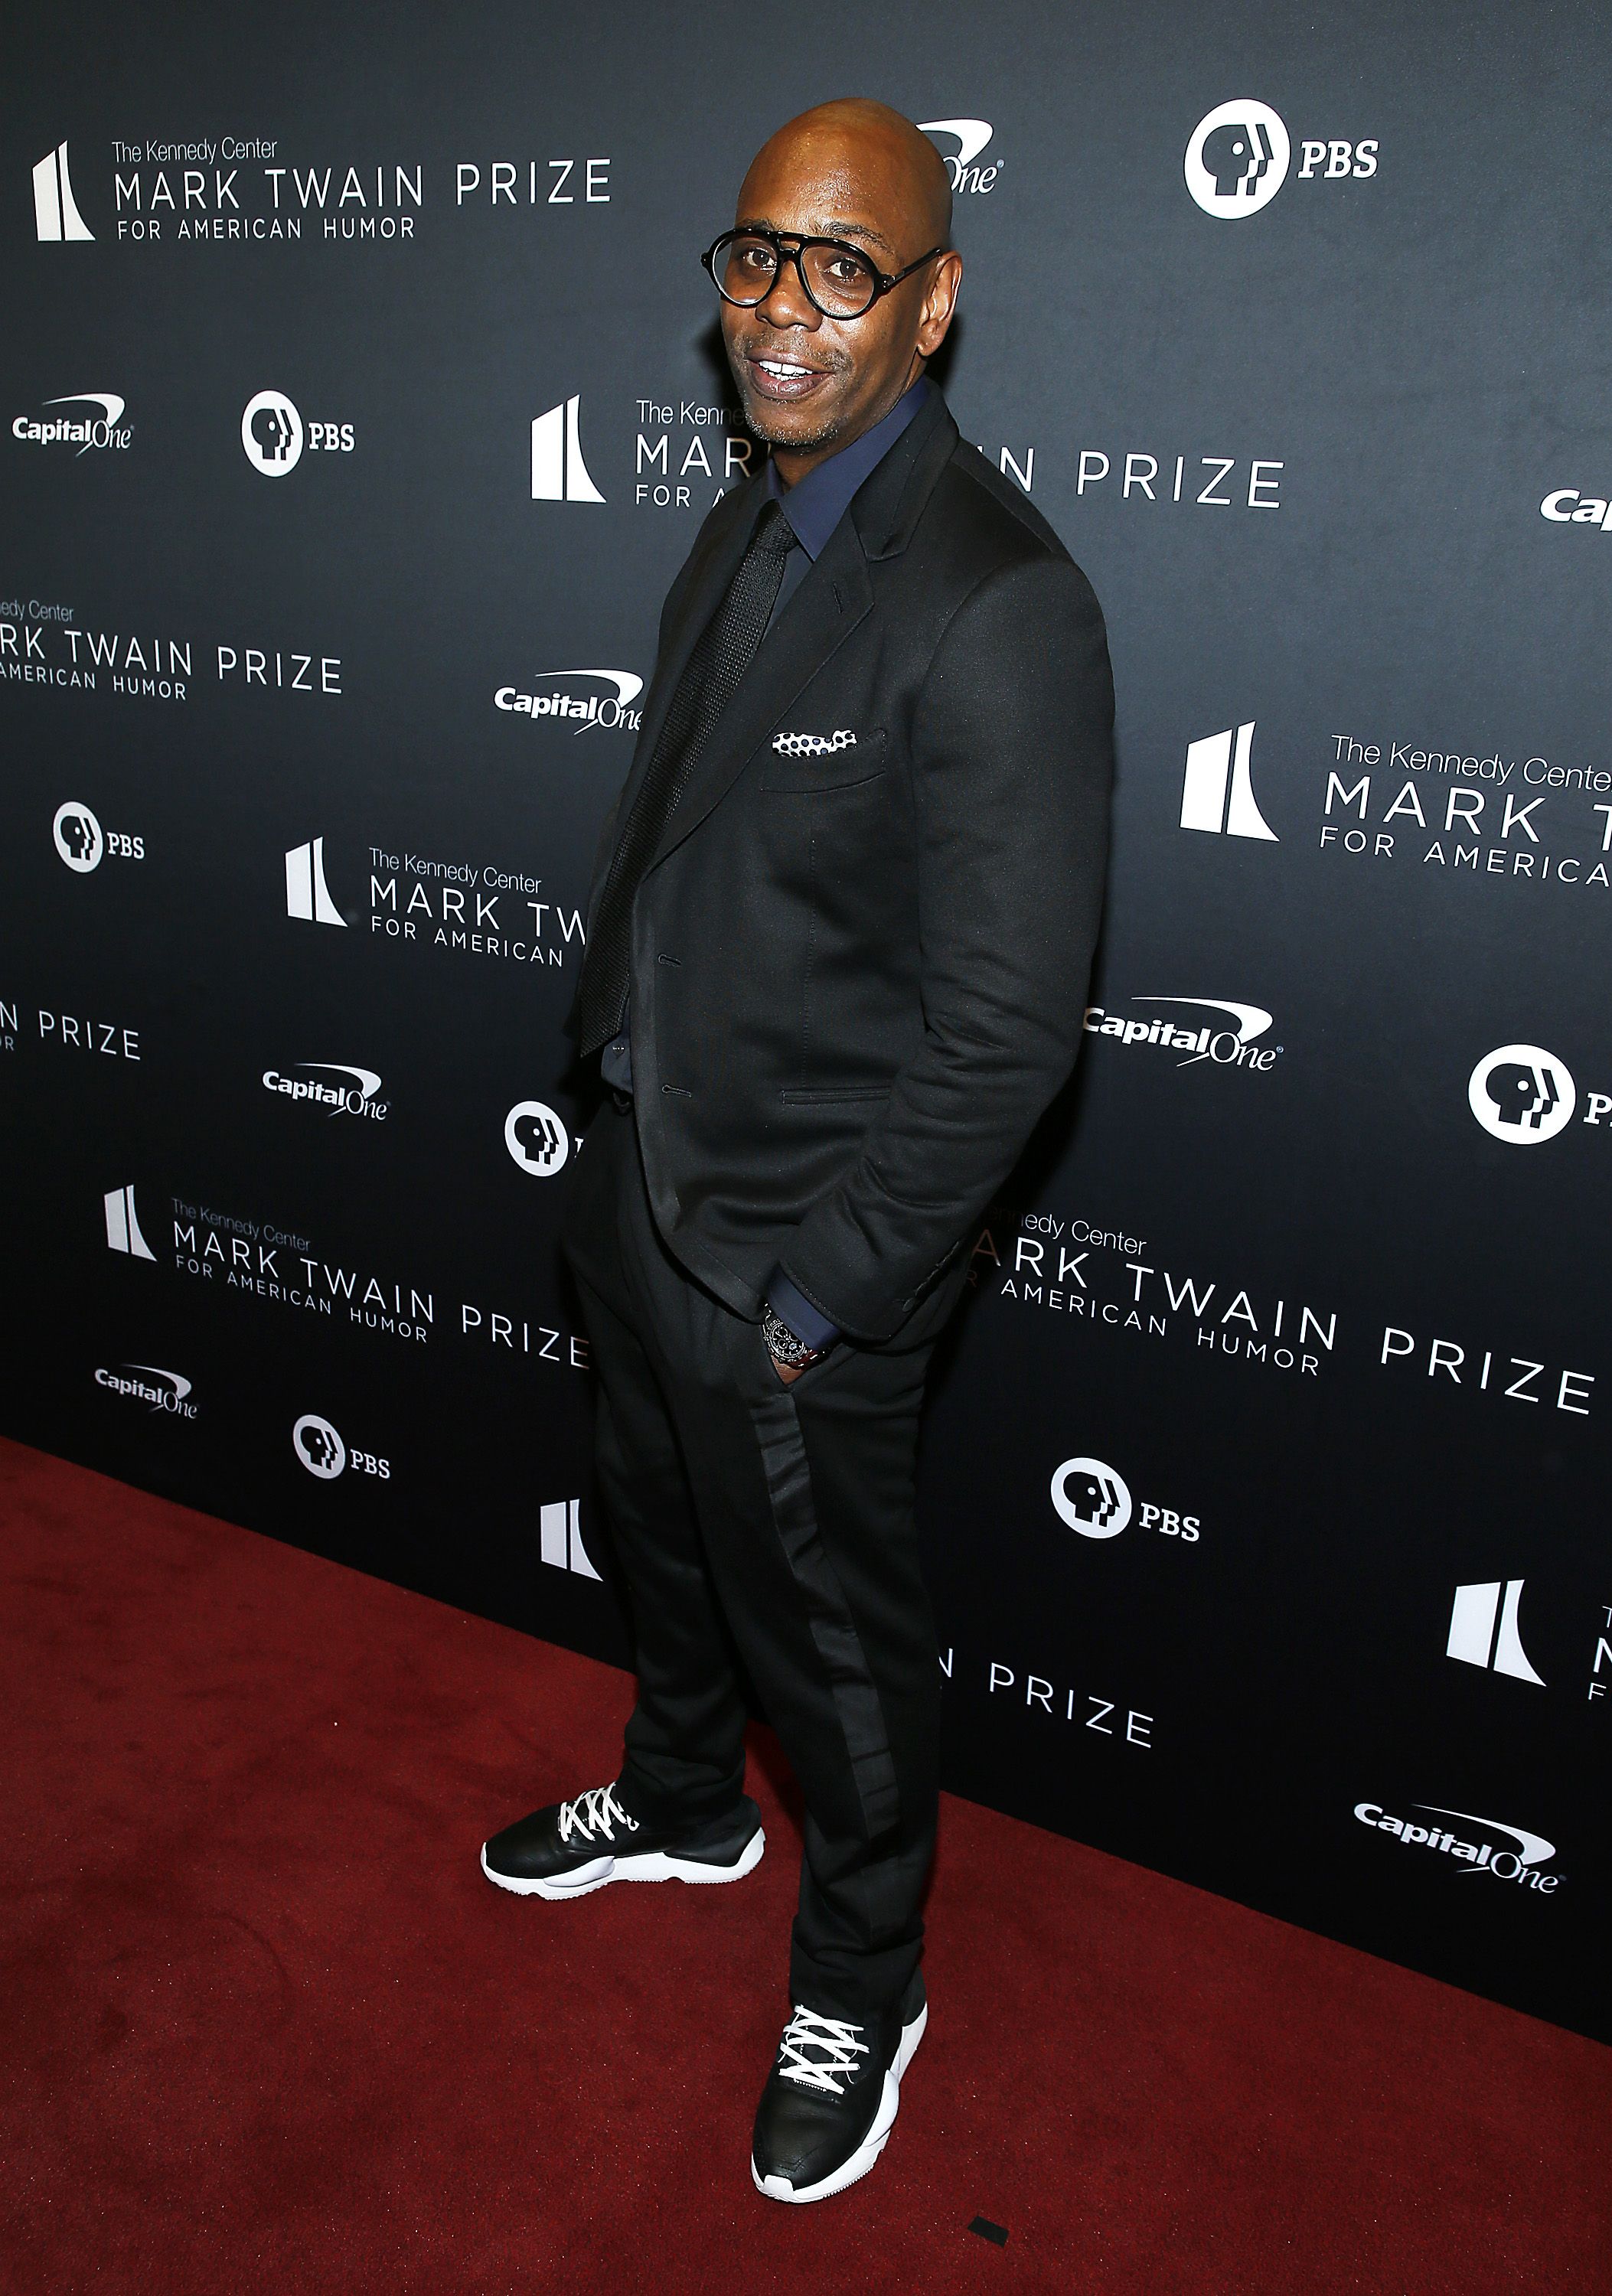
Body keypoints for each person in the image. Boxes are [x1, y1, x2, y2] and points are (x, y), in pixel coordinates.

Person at [481, 96, 1114, 2205]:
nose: (784, 306)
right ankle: (681, 1796)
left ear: (932, 306)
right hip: (638, 1174)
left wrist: (829, 1293)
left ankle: (870, 1962)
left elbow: (1010, 1026)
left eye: (844, 266)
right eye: (757, 255)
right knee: (665, 1553)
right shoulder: (752, 512)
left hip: (798, 1261)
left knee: (836, 1648)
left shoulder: (1000, 596)